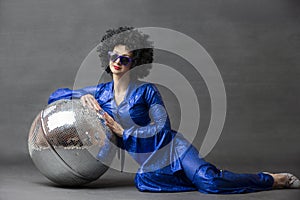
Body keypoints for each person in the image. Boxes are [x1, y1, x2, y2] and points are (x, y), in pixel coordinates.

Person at [48, 26, 300, 194]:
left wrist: (124, 133)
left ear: (135, 63)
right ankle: (198, 177)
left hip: (173, 149)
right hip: (148, 169)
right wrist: (83, 98)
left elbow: (163, 127)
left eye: (124, 58)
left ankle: (270, 179)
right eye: (114, 55)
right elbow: (55, 96)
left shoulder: (147, 92)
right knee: (144, 182)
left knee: (210, 183)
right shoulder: (100, 93)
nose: (117, 62)